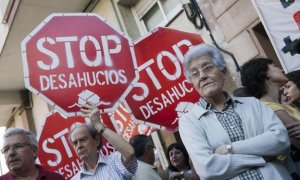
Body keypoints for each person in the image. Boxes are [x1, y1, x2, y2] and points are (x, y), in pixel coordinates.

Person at [179, 44, 291, 180]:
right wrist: (263, 157)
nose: (202, 76)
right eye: (195, 74)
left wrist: (229, 149)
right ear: (193, 83)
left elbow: (281, 141)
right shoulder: (189, 122)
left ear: (224, 72)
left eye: (207, 68)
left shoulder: (253, 103)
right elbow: (208, 169)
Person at [240, 57, 300, 178]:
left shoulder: (279, 106)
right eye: (274, 66)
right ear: (265, 74)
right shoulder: (269, 109)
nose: (281, 69)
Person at [69, 102, 137, 180]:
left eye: (83, 140)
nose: (79, 145)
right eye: (75, 143)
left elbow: (129, 152)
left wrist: (98, 125)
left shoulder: (114, 161)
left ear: (97, 140)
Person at [0, 128, 65, 180]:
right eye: (6, 150)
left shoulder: (56, 178)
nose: (11, 153)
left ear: (34, 151)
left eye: (18, 146)